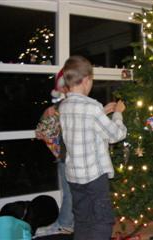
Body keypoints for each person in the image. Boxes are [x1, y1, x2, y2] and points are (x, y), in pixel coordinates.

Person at [59, 55, 127, 240]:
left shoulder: (64, 106)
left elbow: (83, 123)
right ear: (87, 80)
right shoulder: (91, 107)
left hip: (74, 176)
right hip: (93, 177)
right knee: (102, 221)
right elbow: (115, 135)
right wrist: (118, 115)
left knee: (82, 219)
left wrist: (103, 112)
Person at [35, 69, 74, 237]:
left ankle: (65, 223)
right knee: (69, 192)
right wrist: (46, 115)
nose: (65, 89)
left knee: (70, 193)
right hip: (63, 155)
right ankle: (67, 222)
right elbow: (40, 132)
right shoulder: (57, 107)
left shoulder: (73, 106)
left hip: (71, 156)